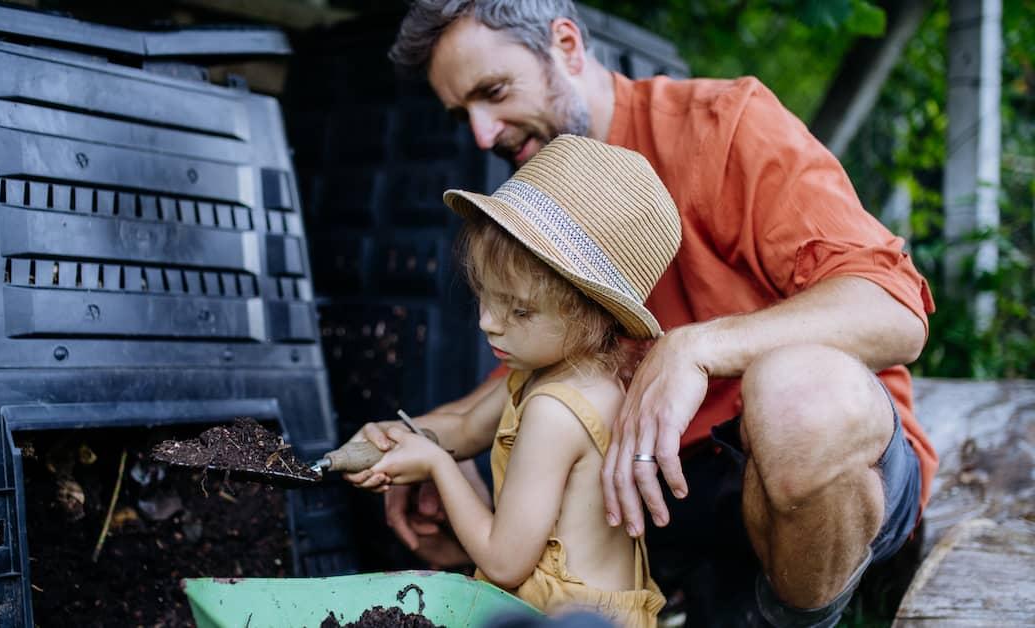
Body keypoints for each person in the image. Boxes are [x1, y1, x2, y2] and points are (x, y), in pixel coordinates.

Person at [346, 2, 939, 626]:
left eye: (493, 92)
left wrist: (696, 347)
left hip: (821, 481)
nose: (482, 134)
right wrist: (418, 440)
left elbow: (894, 308)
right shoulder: (548, 188)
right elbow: (514, 384)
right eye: (462, 113)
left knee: (798, 395)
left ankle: (797, 618)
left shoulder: (724, 126)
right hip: (662, 493)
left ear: (567, 45)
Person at [361, 134, 677, 625]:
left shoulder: (556, 410)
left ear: (589, 314)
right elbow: (466, 430)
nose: (488, 321)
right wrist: (401, 437)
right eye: (484, 295)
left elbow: (505, 562)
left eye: (519, 310)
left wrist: (438, 467)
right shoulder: (569, 371)